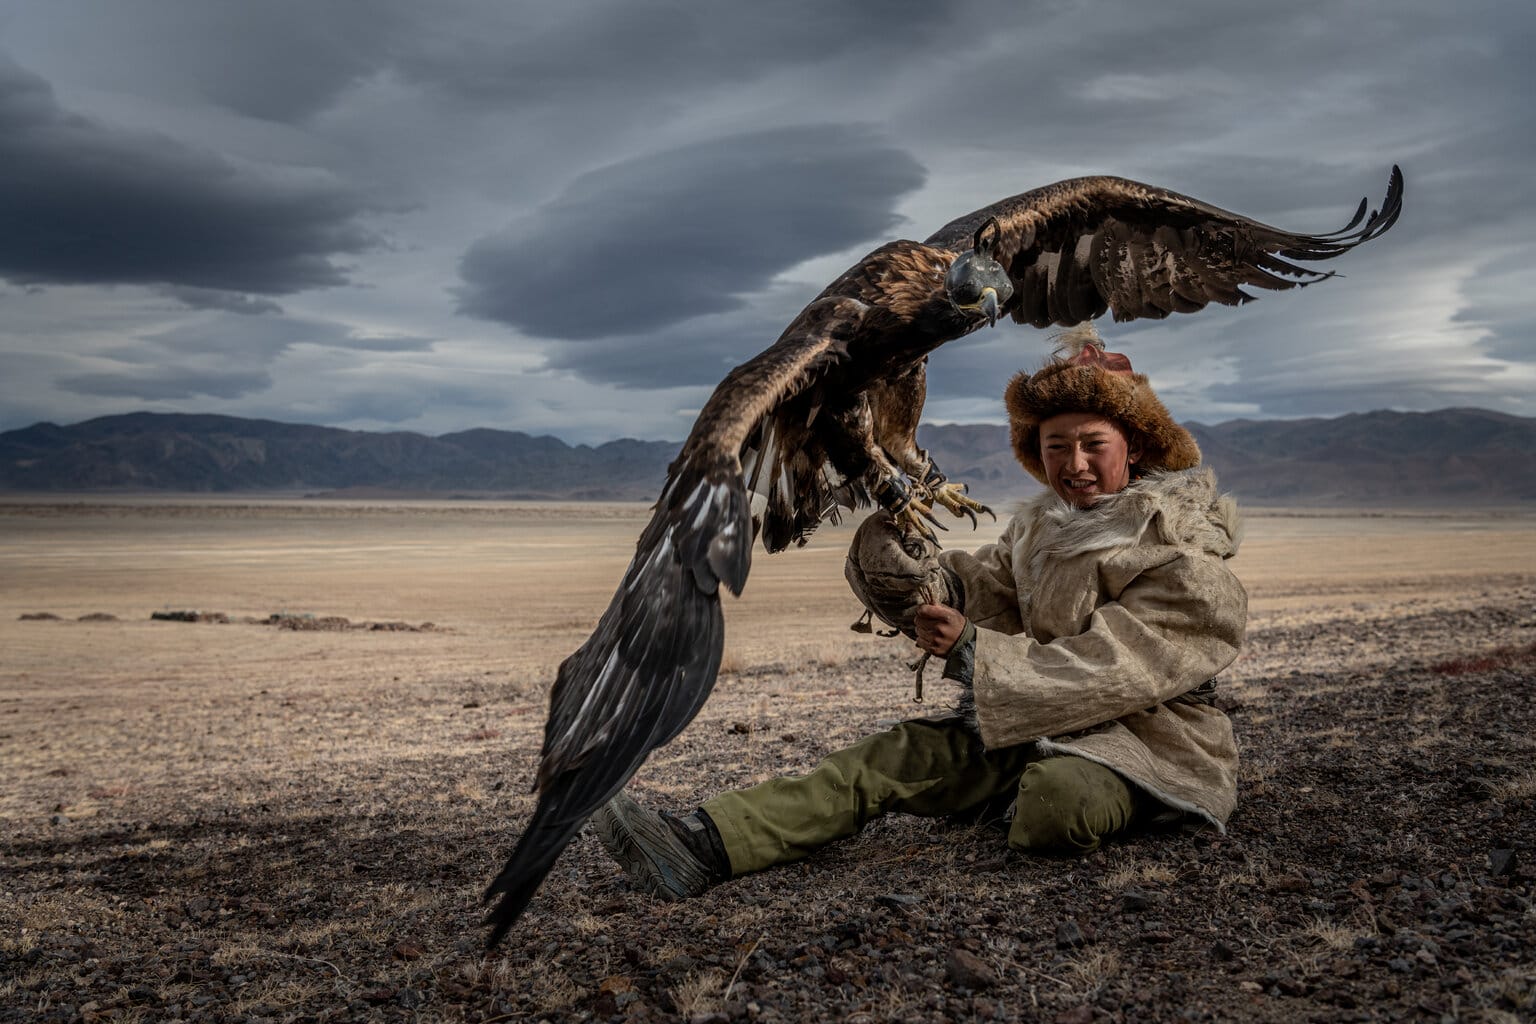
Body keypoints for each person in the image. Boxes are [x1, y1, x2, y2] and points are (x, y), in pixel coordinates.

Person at [592, 325, 1247, 898]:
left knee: (1056, 804)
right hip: (1033, 723)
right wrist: (916, 577)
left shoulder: (1184, 551)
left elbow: (1118, 668)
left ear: (1131, 445)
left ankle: (1126, 803)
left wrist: (972, 649)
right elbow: (981, 589)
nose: (1073, 464)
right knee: (886, 759)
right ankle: (702, 847)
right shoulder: (1040, 533)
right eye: (1055, 446)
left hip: (1144, 744)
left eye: (1091, 444)